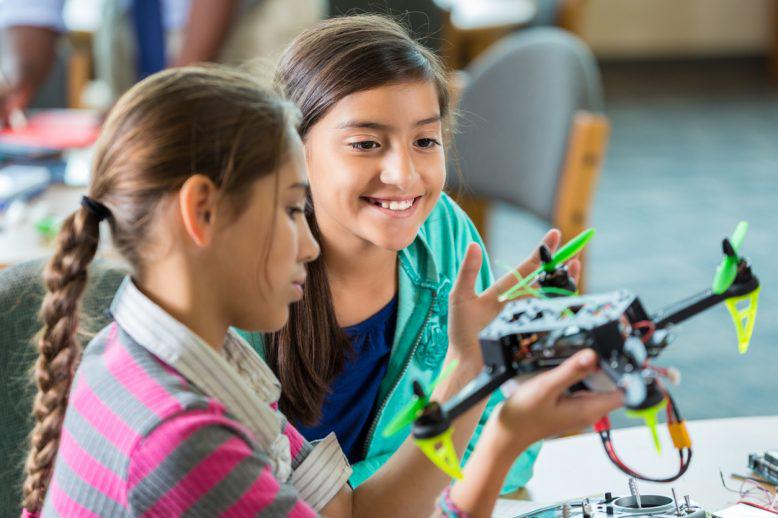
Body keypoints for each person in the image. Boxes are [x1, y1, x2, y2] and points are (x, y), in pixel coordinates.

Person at [21, 65, 621, 517]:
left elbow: (352, 513)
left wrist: (467, 372)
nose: (309, 246)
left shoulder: (180, 362)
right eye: (289, 209)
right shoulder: (183, 442)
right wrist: (503, 439)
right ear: (202, 212)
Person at [243, 14, 565, 490]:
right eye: (366, 143)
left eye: (424, 141)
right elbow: (243, 486)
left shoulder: (443, 232)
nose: (404, 174)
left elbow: (509, 452)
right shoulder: (244, 272)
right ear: (295, 151)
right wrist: (403, 481)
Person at [0, 0, 324, 121]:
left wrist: (170, 95)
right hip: (135, 31)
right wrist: (15, 81)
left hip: (245, 28)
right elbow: (32, 10)